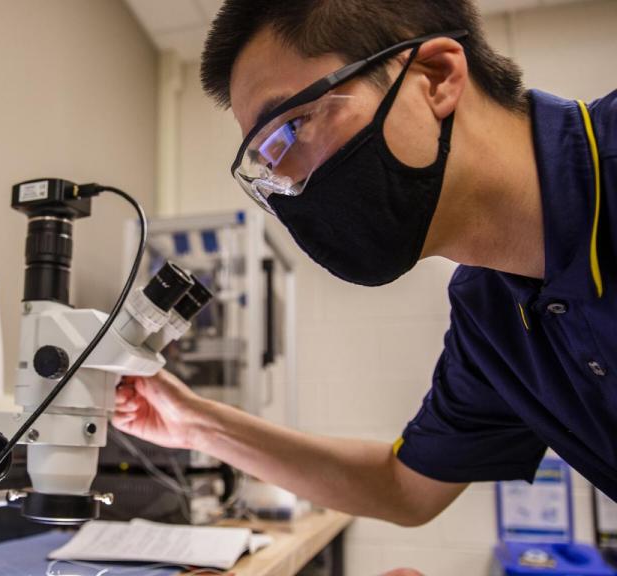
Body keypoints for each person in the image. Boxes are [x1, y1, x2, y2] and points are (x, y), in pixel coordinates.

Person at [113, 0, 616, 533]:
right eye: (265, 166)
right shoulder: (492, 313)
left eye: (291, 129)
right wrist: (194, 425)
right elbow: (403, 488)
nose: (287, 188)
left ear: (436, 77)